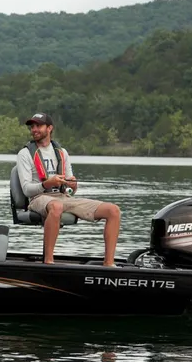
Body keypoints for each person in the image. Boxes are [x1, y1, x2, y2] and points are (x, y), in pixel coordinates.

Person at [15, 112, 121, 266]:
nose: (34, 129)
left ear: (49, 128)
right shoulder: (24, 154)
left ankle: (109, 264)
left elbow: (71, 190)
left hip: (63, 197)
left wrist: (72, 186)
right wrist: (47, 184)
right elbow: (26, 190)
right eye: (32, 126)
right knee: (56, 206)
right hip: (38, 198)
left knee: (113, 210)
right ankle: (49, 262)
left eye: (39, 126)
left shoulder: (62, 152)